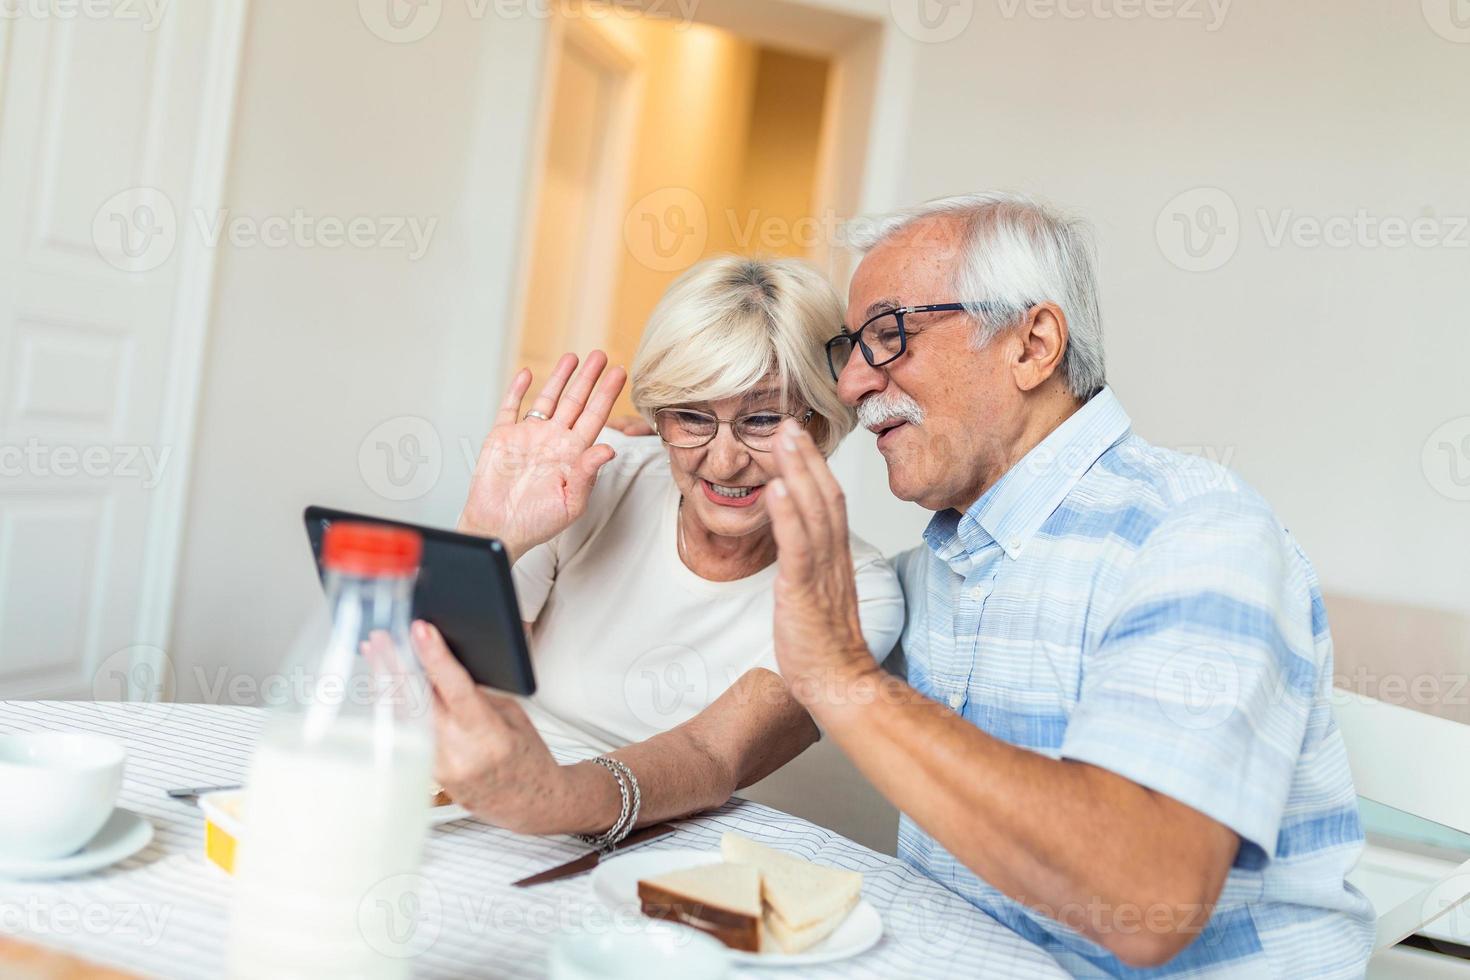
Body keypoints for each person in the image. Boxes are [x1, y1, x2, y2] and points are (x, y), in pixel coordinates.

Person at [758, 193, 1374, 976]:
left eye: (888, 334)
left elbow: (1145, 894)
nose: (850, 384)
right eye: (853, 346)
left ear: (1032, 343)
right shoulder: (939, 565)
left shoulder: (1198, 533)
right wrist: (662, 474)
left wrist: (846, 678)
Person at [414, 256, 904, 844]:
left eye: (765, 419)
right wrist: (488, 534)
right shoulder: (592, 481)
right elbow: (437, 682)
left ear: (824, 423)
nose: (724, 462)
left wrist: (555, 799)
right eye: (693, 416)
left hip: (675, 836)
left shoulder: (858, 590)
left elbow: (712, 754)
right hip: (500, 800)